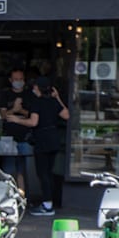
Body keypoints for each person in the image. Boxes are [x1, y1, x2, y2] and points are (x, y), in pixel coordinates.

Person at [5, 75, 70, 215]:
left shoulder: (37, 103)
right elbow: (66, 115)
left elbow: (33, 122)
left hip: (42, 140)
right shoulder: (53, 102)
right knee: (49, 172)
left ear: (38, 88)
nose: (33, 89)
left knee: (42, 173)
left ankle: (47, 205)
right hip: (54, 140)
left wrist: (17, 120)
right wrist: (57, 97)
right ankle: (49, 202)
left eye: (35, 87)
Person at [0, 68, 34, 197]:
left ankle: (22, 196)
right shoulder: (5, 95)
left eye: (20, 79)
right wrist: (14, 109)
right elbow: (2, 115)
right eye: (15, 79)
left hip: (26, 137)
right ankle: (6, 196)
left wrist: (21, 110)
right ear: (10, 80)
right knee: (8, 168)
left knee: (23, 169)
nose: (18, 82)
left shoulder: (29, 95)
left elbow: (33, 115)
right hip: (8, 139)